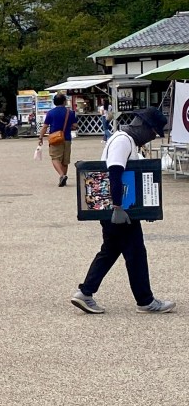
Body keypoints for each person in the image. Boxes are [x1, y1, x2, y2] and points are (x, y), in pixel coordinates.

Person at [72, 108, 174, 314]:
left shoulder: (126, 141)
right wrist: (118, 206)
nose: (152, 137)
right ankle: (145, 301)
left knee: (110, 251)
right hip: (117, 209)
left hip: (120, 209)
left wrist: (145, 210)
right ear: (143, 126)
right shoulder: (122, 141)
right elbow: (115, 174)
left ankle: (86, 292)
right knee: (136, 253)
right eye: (153, 132)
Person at [37, 91, 77, 186]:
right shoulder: (70, 113)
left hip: (55, 138)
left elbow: (45, 126)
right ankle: (64, 177)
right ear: (64, 101)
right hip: (66, 138)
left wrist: (40, 137)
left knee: (55, 158)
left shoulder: (50, 113)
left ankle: (61, 175)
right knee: (65, 160)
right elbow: (75, 126)